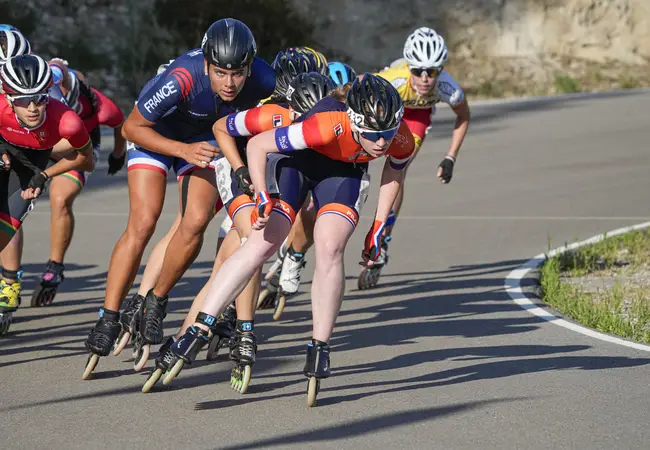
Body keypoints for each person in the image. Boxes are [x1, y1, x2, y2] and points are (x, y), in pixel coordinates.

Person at [162, 74, 414, 407]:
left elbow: (394, 171)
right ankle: (202, 324)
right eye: (371, 134)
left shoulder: (400, 136)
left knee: (331, 247)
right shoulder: (325, 125)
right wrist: (262, 195)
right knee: (263, 243)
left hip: (343, 174)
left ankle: (320, 345)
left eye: (386, 134)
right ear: (353, 120)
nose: (380, 143)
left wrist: (379, 226)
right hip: (298, 163)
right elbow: (257, 145)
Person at [82, 18, 275, 379]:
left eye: (237, 73)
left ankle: (156, 300)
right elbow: (130, 128)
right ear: (206, 64)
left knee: (196, 220)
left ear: (250, 68)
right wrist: (181, 150)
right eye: (220, 73)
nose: (229, 83)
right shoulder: (182, 77)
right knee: (144, 222)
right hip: (156, 134)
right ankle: (108, 318)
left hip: (205, 139)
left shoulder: (264, 79)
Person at [142, 72, 337, 393]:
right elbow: (221, 128)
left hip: (274, 177)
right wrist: (240, 169)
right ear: (291, 107)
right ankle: (245, 331)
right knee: (254, 245)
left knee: (225, 265)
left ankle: (183, 335)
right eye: (305, 118)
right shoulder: (271, 114)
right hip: (241, 170)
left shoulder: (330, 123)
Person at [357, 26, 471, 289]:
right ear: (409, 66)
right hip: (389, 107)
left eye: (432, 71)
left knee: (399, 167)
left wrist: (450, 157)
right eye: (418, 71)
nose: (425, 78)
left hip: (416, 117)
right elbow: (360, 84)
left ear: (440, 69)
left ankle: (383, 239)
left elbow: (463, 117)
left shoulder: (448, 88)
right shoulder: (395, 79)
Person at [0, 54, 94, 335]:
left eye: (40, 99)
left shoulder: (67, 121)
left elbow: (86, 161)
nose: (32, 108)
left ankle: (8, 286)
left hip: (33, 163)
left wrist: (45, 175)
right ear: (8, 97)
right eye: (23, 100)